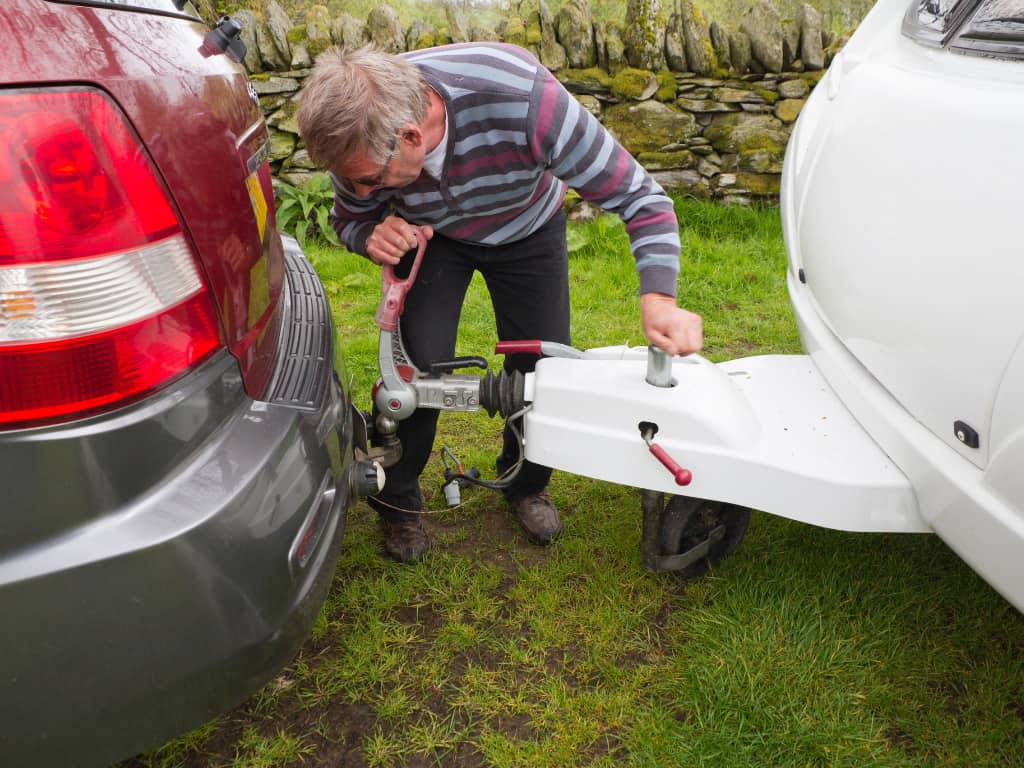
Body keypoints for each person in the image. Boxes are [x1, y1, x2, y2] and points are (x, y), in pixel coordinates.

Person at [297, 42, 703, 563]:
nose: (360, 187)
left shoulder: (522, 99)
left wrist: (660, 298)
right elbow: (350, 218)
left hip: (527, 227)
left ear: (411, 137)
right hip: (434, 238)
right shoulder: (358, 132)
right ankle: (397, 504)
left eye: (371, 180)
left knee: (543, 368)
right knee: (412, 373)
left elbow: (640, 198)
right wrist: (369, 232)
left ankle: (526, 485)